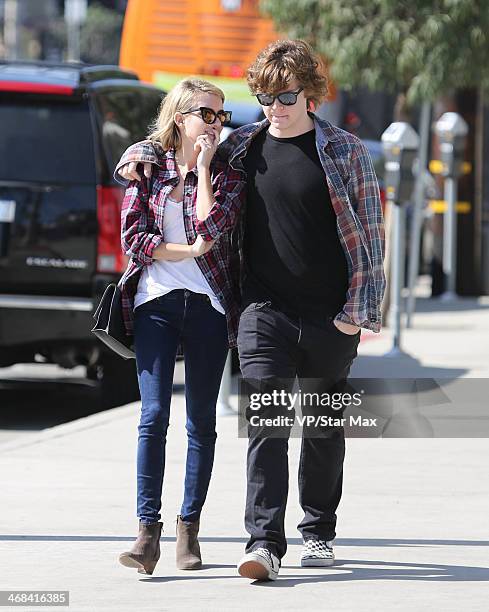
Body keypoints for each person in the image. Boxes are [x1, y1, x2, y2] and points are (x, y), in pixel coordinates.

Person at [115, 40, 386, 581]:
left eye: (286, 96)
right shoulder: (242, 147)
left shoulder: (346, 151)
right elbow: (179, 149)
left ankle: (318, 529)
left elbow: (372, 237)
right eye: (265, 96)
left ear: (311, 95)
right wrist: (139, 155)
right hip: (263, 311)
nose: (274, 107)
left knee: (323, 428)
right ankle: (264, 542)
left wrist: (357, 312)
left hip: (331, 314)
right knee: (268, 424)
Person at [116, 77, 244, 576]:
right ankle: (146, 532)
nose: (215, 124)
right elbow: (135, 239)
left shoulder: (228, 172)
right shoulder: (146, 165)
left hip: (210, 306)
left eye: (220, 115)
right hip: (157, 302)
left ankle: (188, 527)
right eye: (206, 114)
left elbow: (214, 228)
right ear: (180, 116)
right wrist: (185, 251)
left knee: (201, 422)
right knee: (153, 417)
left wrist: (207, 167)